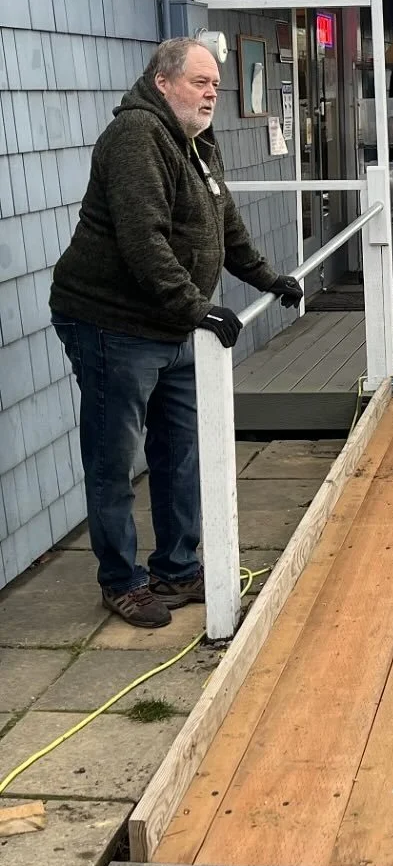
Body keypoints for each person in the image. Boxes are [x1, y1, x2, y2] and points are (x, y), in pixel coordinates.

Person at [50, 38, 304, 629]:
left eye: (216, 84)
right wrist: (197, 307)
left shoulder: (196, 140)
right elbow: (143, 239)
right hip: (111, 322)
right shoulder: (136, 136)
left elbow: (223, 222)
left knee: (181, 449)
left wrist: (267, 278)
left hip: (168, 323)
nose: (212, 93)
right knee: (113, 458)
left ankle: (176, 567)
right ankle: (121, 581)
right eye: (200, 82)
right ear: (162, 82)